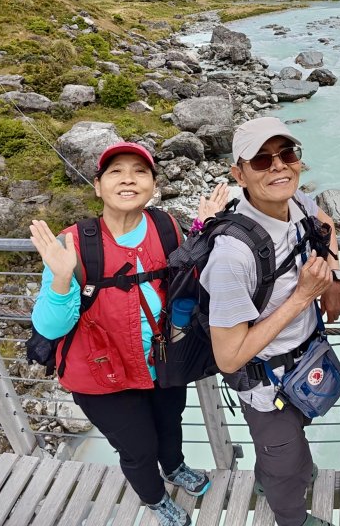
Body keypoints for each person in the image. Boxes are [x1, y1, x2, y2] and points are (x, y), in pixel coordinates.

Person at [30, 141, 228, 526]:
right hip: (100, 374)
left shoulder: (165, 225)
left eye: (139, 172)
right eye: (116, 171)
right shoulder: (73, 244)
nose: (128, 180)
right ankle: (154, 498)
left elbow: (183, 275)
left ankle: (174, 468)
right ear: (97, 185)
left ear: (153, 184)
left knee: (171, 425)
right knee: (138, 448)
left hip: (162, 359)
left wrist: (203, 231)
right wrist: (60, 277)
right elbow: (51, 327)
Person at [200, 116, 340, 526]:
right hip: (266, 384)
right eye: (261, 161)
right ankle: (291, 516)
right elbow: (228, 358)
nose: (279, 165)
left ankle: (280, 469)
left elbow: (325, 224)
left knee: (290, 446)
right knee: (284, 464)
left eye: (286, 154)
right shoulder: (232, 255)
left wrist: (332, 277)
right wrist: (302, 297)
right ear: (238, 174)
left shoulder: (295, 203)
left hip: (301, 363)